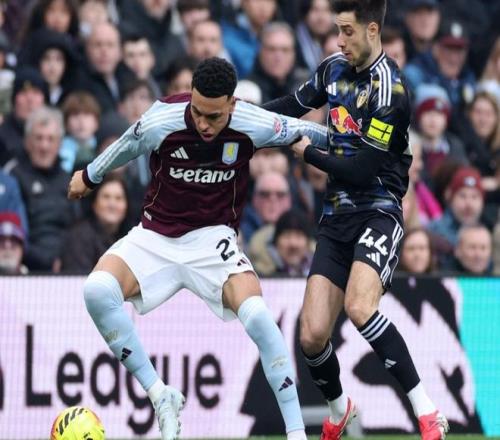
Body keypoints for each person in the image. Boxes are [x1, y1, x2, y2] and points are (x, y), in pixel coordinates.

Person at [67, 57, 328, 440]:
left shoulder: (252, 123)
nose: (204, 124)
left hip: (213, 241)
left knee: (259, 317)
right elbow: (127, 144)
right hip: (155, 236)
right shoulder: (162, 120)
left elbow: (303, 130)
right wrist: (90, 175)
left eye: (214, 116)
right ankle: (161, 395)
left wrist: (359, 145)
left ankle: (296, 433)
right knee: (96, 291)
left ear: (232, 105)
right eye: (198, 112)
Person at [262, 1, 448, 438]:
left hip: (378, 210)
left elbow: (363, 170)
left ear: (371, 30)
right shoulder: (332, 68)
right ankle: (339, 408)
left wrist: (308, 152)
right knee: (311, 336)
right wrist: (241, 119)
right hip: (336, 218)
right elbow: (292, 104)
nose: (339, 41)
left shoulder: (391, 92)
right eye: (337, 31)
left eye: (347, 31)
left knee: (360, 306)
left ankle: (427, 412)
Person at [61, 175, 129, 273]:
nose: (112, 204)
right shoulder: (79, 236)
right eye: (106, 197)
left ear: (127, 205)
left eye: (118, 198)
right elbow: (78, 278)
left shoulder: (131, 237)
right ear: (94, 203)